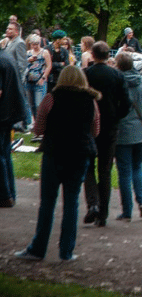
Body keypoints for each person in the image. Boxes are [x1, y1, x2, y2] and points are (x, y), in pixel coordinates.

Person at [14, 66, 100, 261]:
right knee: (72, 202)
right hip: (79, 155)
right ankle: (66, 251)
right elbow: (95, 130)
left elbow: (38, 129)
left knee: (47, 203)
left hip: (55, 153)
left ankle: (38, 248)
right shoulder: (90, 101)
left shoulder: (51, 98)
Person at [82, 42, 131, 227]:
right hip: (110, 126)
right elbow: (126, 103)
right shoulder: (117, 75)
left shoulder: (86, 74)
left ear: (93, 55)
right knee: (105, 170)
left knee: (88, 167)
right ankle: (103, 214)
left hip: (89, 126)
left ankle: (92, 204)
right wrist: (116, 116)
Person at [113, 52, 142, 221]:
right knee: (137, 167)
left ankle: (127, 210)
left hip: (123, 132)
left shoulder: (117, 84)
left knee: (124, 172)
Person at [1, 51, 27, 207]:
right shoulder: (7, 57)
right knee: (5, 153)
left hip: (3, 114)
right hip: (10, 113)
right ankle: (10, 192)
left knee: (1, 155)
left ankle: (4, 194)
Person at [24, 34, 52, 119]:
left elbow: (49, 66)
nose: (35, 46)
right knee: (31, 104)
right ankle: (36, 122)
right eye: (33, 44)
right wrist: (29, 60)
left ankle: (41, 122)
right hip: (29, 81)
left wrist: (43, 77)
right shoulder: (28, 53)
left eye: (36, 44)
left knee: (38, 104)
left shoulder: (44, 52)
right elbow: (23, 65)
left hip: (40, 81)